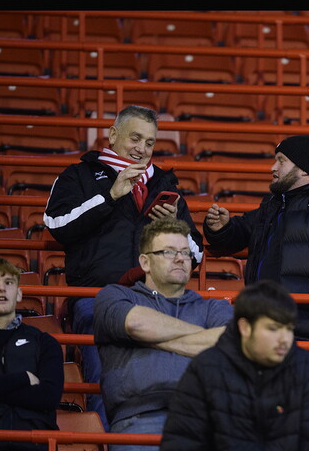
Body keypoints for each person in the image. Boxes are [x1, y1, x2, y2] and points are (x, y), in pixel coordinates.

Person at [43, 105, 204, 430]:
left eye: (149, 142)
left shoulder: (165, 183)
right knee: (108, 384)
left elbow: (196, 254)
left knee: (166, 389)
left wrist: (176, 228)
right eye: (135, 138)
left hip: (159, 301)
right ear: (113, 135)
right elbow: (56, 224)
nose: (142, 148)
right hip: (99, 298)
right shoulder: (79, 175)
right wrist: (110, 195)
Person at [203, 134, 309, 434]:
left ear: (303, 168)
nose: (272, 167)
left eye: (280, 161)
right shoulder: (273, 204)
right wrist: (220, 228)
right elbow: (239, 233)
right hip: (266, 334)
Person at [155, 280, 309, 451]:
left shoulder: (304, 368)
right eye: (273, 328)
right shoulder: (206, 369)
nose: (284, 339)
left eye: (288, 329)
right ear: (244, 327)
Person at [92, 217, 233, 451]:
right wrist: (206, 338)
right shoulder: (114, 296)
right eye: (168, 252)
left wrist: (155, 336)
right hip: (139, 423)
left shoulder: (214, 307)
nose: (180, 258)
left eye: (185, 253)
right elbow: (136, 324)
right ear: (145, 262)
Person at [0, 257, 64, 451]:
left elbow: (49, 396)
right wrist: (22, 379)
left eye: (9, 283)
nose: (2, 288)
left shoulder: (45, 342)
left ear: (19, 294)